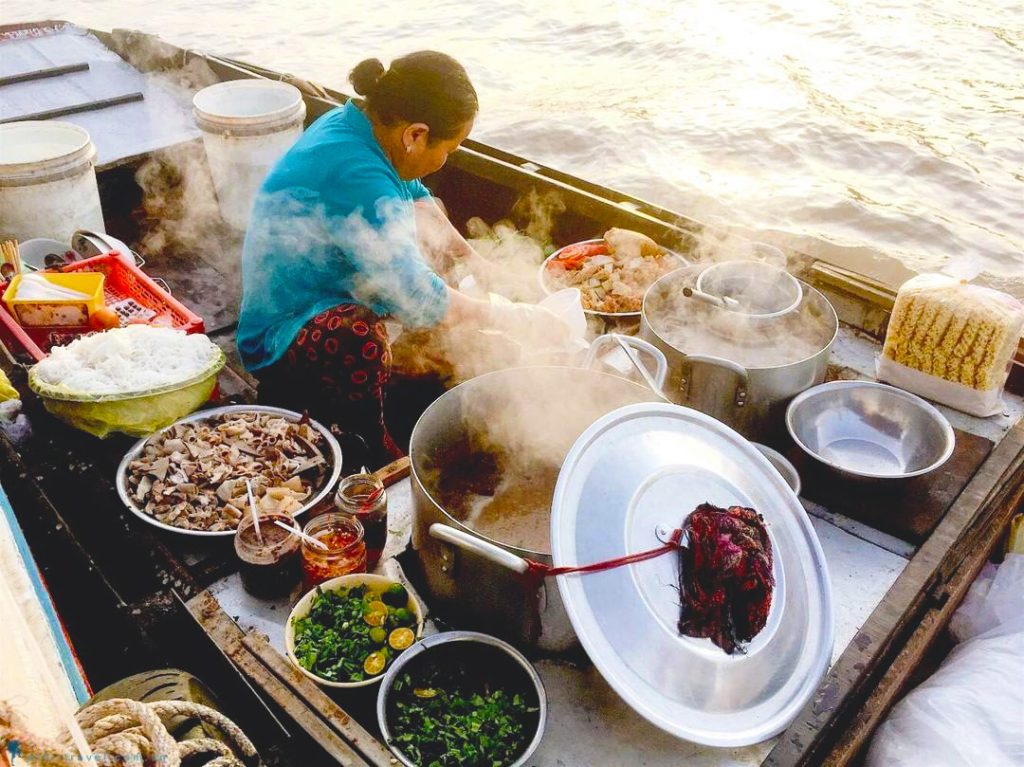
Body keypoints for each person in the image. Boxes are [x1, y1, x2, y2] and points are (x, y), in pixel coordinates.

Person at [237, 51, 561, 467]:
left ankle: (420, 352)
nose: (447, 160)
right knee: (360, 337)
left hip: (332, 279)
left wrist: (479, 265)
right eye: (450, 149)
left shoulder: (362, 128)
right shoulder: (357, 172)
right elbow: (419, 297)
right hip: (283, 333)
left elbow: (421, 201)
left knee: (430, 220)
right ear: (416, 135)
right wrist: (513, 317)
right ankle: (371, 444)